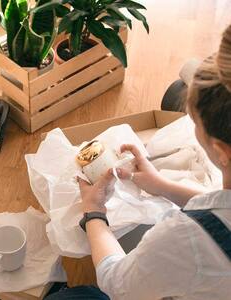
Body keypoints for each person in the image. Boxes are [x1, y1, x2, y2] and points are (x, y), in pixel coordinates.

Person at [45, 24, 231, 300]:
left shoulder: (185, 238)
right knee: (176, 90)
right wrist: (162, 185)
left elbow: (117, 283)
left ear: (221, 151)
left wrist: (94, 212)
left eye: (195, 123)